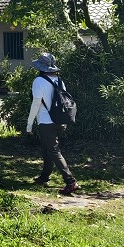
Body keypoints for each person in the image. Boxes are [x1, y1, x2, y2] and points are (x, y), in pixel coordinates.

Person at [25, 52, 80, 195]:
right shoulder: (60, 80)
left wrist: (29, 124)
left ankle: (70, 181)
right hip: (60, 121)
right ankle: (44, 177)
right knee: (47, 148)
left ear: (41, 67)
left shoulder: (38, 81)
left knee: (53, 150)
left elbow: (36, 103)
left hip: (46, 121)